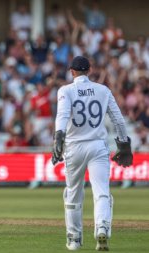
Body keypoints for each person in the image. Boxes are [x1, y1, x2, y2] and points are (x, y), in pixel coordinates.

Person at [52, 56, 133, 251]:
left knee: (72, 193)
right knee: (102, 192)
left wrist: (58, 140)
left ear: (72, 72)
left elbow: (62, 116)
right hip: (97, 146)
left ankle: (74, 239)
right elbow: (119, 121)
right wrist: (124, 145)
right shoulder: (103, 90)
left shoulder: (66, 90)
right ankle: (102, 228)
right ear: (89, 70)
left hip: (74, 147)